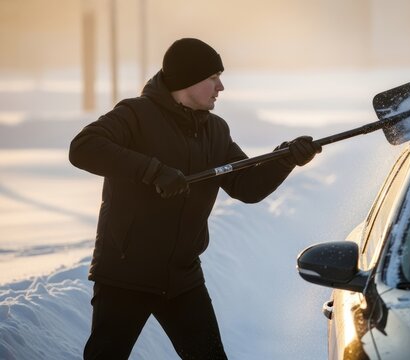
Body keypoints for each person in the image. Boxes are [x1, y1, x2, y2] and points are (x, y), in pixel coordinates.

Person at [69, 38, 321, 359]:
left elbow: (247, 186)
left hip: (182, 277)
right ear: (188, 79)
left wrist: (285, 158)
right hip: (126, 273)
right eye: (213, 77)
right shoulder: (136, 114)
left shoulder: (215, 130)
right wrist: (153, 171)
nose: (221, 86)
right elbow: (84, 147)